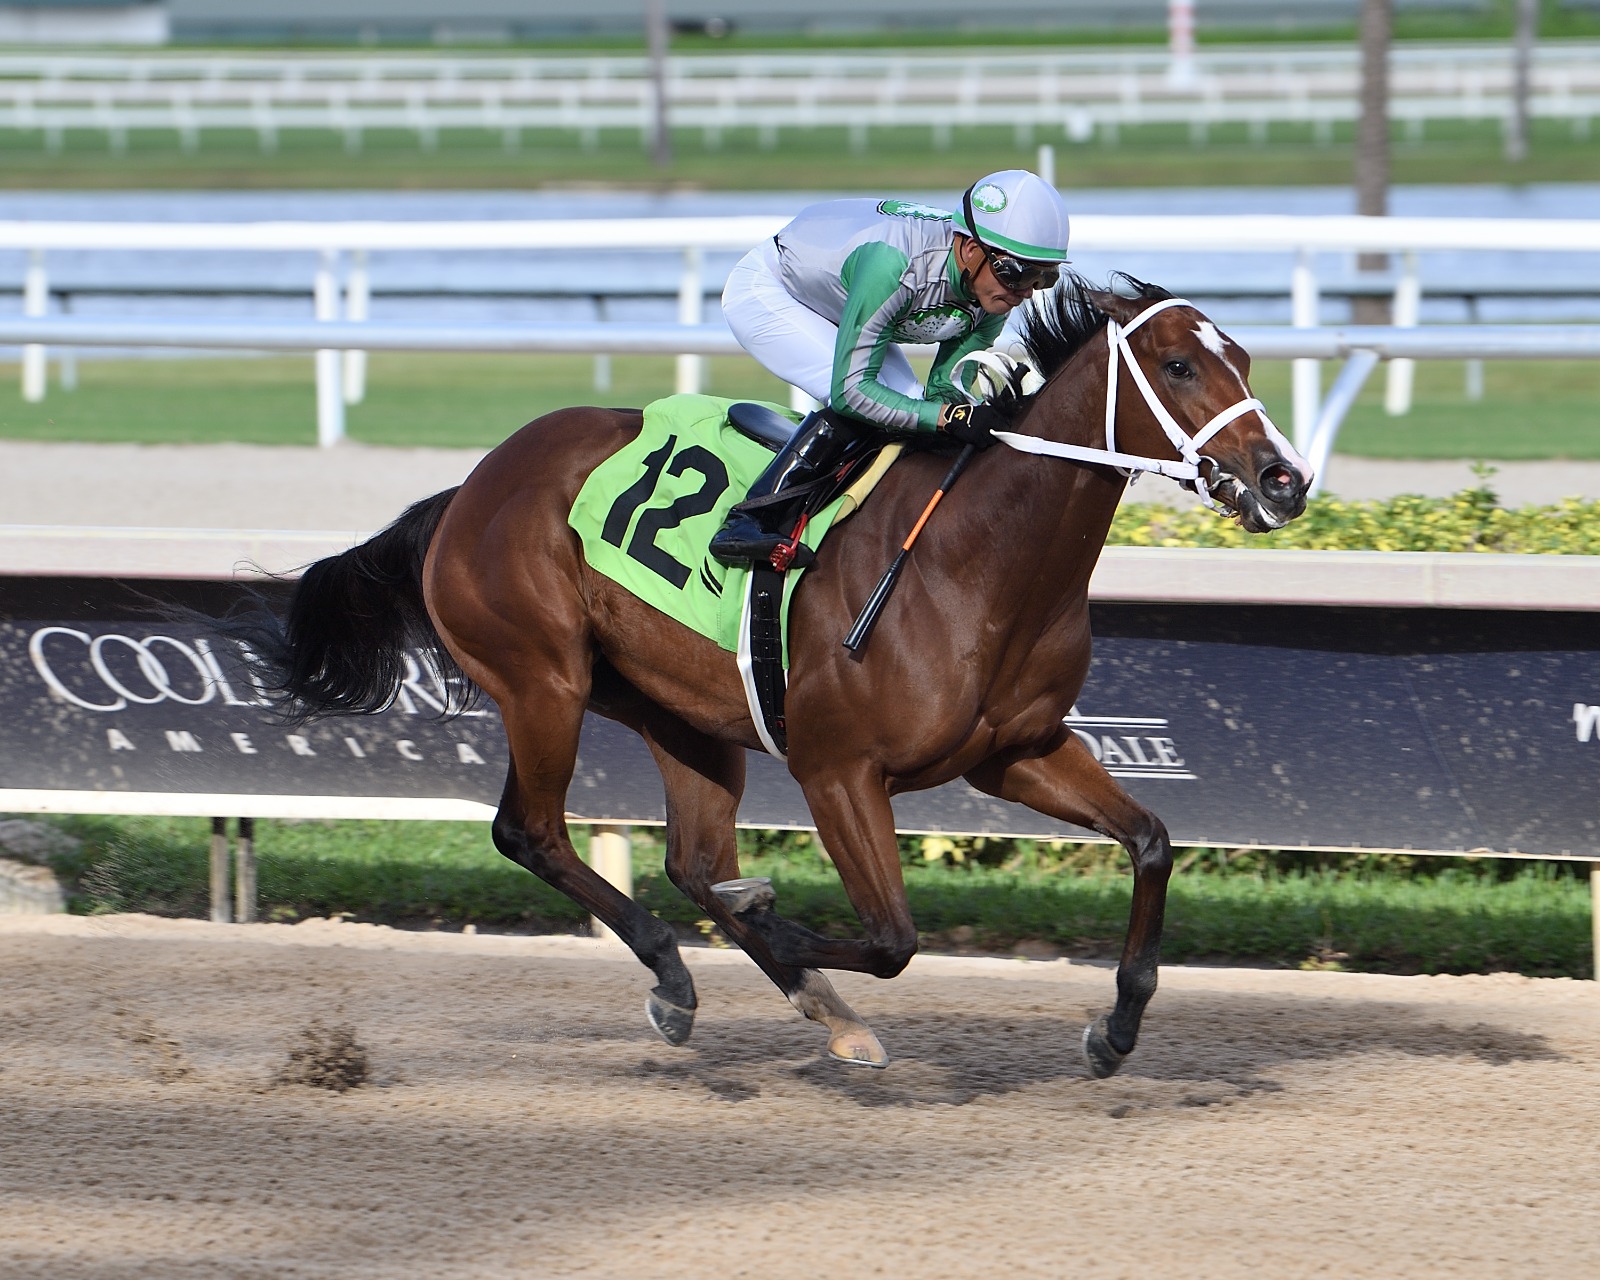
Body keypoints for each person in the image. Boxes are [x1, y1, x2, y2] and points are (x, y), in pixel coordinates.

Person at [709, 168, 1071, 566]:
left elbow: (944, 393)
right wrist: (947, 417)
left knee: (915, 408)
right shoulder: (896, 267)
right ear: (969, 249)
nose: (1024, 291)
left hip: (844, 294)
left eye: (1042, 277)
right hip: (772, 289)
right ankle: (748, 520)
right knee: (876, 404)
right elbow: (852, 393)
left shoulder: (993, 291)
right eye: (1016, 272)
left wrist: (957, 416)